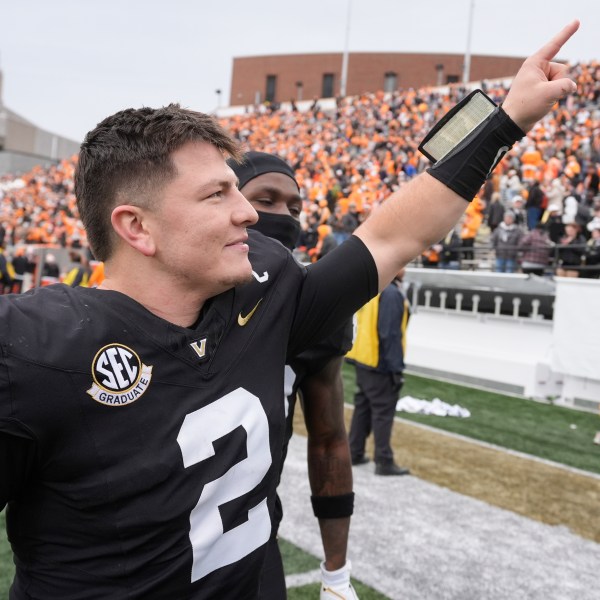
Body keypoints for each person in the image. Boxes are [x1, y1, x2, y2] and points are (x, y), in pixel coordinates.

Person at [0, 21, 580, 599]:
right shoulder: (36, 348)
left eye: (236, 188)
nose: (248, 213)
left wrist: (509, 121)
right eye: (216, 194)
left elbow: (388, 239)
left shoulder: (268, 287)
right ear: (137, 227)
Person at [228, 151, 357, 599]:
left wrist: (336, 574)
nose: (284, 217)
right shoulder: (180, 285)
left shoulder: (310, 306)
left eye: (296, 208)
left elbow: (329, 440)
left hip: (250, 546)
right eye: (266, 200)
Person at [347, 267, 411, 475]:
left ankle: (354, 452)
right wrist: (396, 369)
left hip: (363, 357)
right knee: (383, 411)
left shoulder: (373, 289)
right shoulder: (391, 294)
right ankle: (383, 460)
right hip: (379, 361)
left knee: (363, 406)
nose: (406, 269)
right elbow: (389, 334)